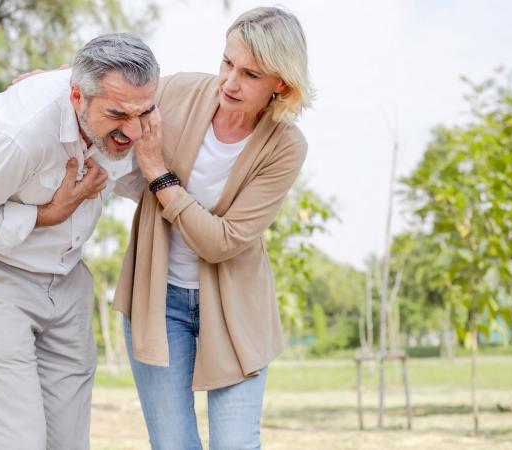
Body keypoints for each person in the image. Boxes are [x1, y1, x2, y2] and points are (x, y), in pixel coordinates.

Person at [0, 33, 158, 450]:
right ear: (76, 96)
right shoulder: (17, 132)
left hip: (66, 283)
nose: (134, 130)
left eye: (144, 112)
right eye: (118, 115)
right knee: (18, 441)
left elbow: (143, 175)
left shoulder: (121, 108)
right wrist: (46, 215)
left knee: (69, 443)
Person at [115, 7, 314, 449]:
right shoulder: (181, 90)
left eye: (249, 74)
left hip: (235, 309)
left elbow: (220, 242)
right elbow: (115, 89)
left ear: (280, 83)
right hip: (158, 300)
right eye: (227, 63)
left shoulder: (285, 148)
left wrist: (158, 174)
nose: (229, 81)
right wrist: (53, 79)